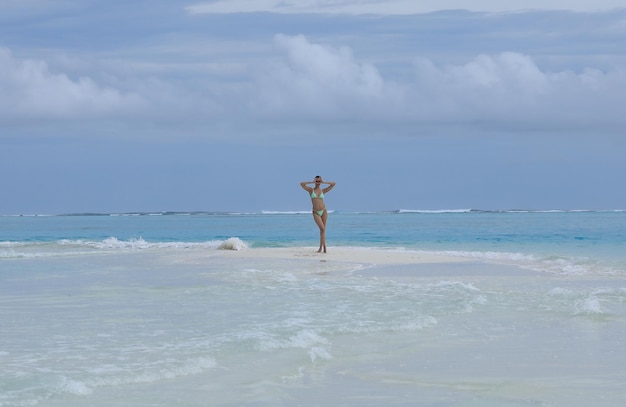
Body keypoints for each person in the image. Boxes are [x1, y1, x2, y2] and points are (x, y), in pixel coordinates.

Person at [300, 175, 336, 253]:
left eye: (319, 181)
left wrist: (324, 182)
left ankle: (322, 248)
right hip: (316, 212)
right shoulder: (310, 190)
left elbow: (333, 184)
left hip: (324, 211)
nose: (318, 182)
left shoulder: (323, 191)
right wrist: (312, 182)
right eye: (317, 181)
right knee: (322, 228)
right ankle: (324, 248)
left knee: (323, 230)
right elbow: (302, 184)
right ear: (314, 181)